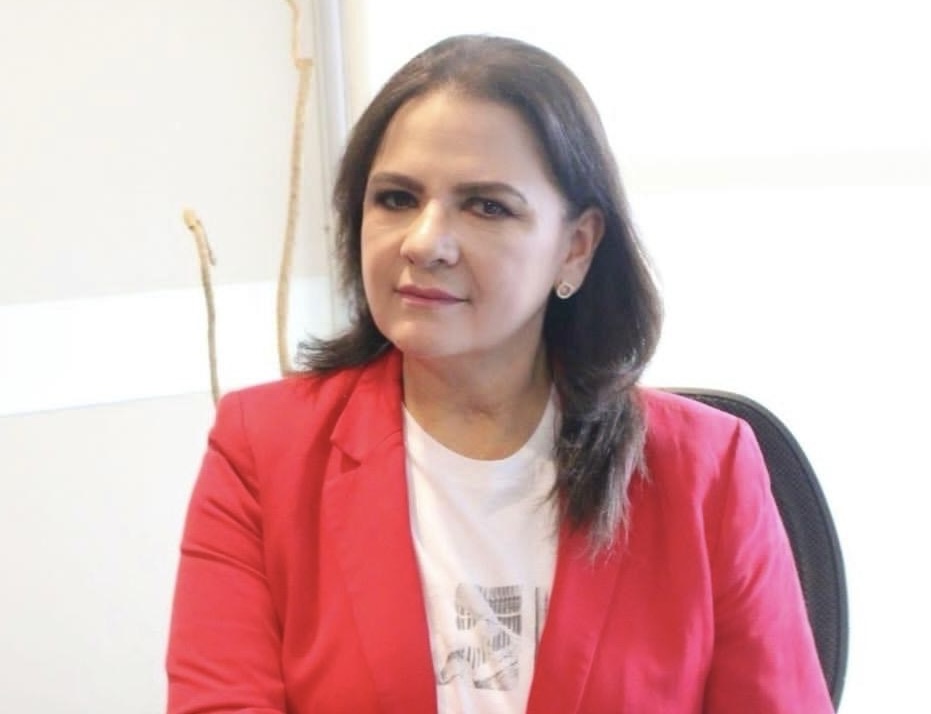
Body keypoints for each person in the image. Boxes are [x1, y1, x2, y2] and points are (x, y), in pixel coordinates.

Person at [166, 34, 833, 714]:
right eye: (396, 198)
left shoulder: (708, 468)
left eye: (487, 206)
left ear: (575, 247)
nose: (424, 241)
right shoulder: (263, 449)